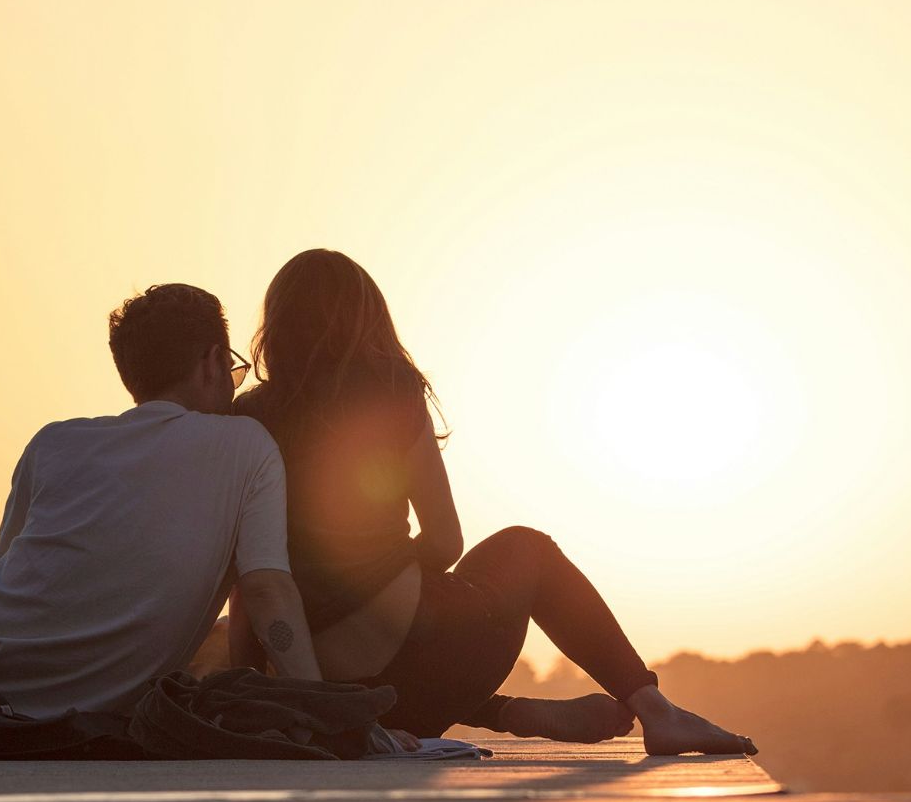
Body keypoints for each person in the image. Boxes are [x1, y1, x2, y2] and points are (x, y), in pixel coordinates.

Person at [232, 249, 756, 755]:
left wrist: (262, 685)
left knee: (391, 648)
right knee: (526, 548)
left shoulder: (248, 419)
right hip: (425, 662)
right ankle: (656, 712)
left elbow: (247, 578)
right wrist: (385, 575)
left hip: (331, 688)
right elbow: (445, 540)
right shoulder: (391, 391)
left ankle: (500, 712)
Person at [0, 282, 410, 751]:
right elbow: (267, 592)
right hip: (64, 710)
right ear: (214, 362)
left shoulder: (55, 443)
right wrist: (324, 714)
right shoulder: (247, 445)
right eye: (234, 370)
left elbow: (12, 580)